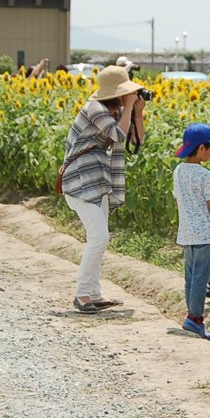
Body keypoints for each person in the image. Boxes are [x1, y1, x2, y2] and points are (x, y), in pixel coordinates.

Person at [59, 65, 146, 313]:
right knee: (100, 237)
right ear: (116, 93)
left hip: (98, 181)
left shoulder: (115, 111)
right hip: (80, 181)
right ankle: (83, 294)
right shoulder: (94, 109)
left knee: (98, 238)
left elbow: (136, 140)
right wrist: (128, 108)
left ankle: (93, 293)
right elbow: (117, 135)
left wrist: (137, 113)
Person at [173, 123, 210, 340]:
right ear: (203, 148)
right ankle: (195, 319)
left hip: (186, 232)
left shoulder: (178, 171)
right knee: (200, 278)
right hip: (205, 234)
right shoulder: (205, 176)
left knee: (190, 277)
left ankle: (191, 315)